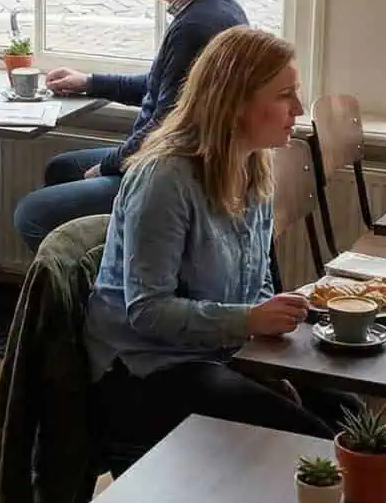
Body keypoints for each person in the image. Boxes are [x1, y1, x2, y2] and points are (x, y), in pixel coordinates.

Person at [83, 26, 328, 453]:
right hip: (143, 370)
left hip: (216, 352)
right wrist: (250, 321)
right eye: (284, 95)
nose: (299, 108)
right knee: (309, 442)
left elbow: (257, 283)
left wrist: (269, 330)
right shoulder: (165, 180)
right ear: (236, 104)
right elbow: (147, 312)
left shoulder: (255, 166)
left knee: (347, 416)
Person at [13, 0, 247, 250]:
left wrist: (108, 166)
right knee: (61, 168)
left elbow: (164, 129)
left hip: (168, 174)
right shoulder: (220, 7)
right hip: (175, 163)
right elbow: (162, 87)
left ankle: (100, 279)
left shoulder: (194, 28)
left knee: (31, 215)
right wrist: (90, 82)